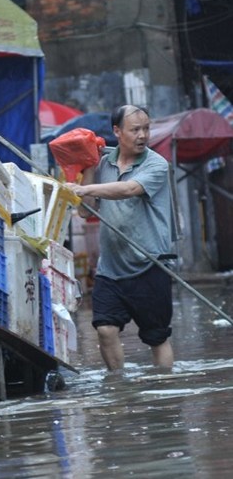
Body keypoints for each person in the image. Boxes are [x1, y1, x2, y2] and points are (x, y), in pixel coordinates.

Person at [66, 105, 177, 370]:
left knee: (156, 337)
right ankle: (118, 386)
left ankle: (165, 388)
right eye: (135, 129)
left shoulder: (156, 164)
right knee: (105, 330)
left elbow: (128, 189)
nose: (143, 135)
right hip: (111, 268)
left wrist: (85, 188)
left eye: (146, 128)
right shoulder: (104, 163)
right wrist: (89, 166)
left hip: (149, 263)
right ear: (117, 131)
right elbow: (85, 212)